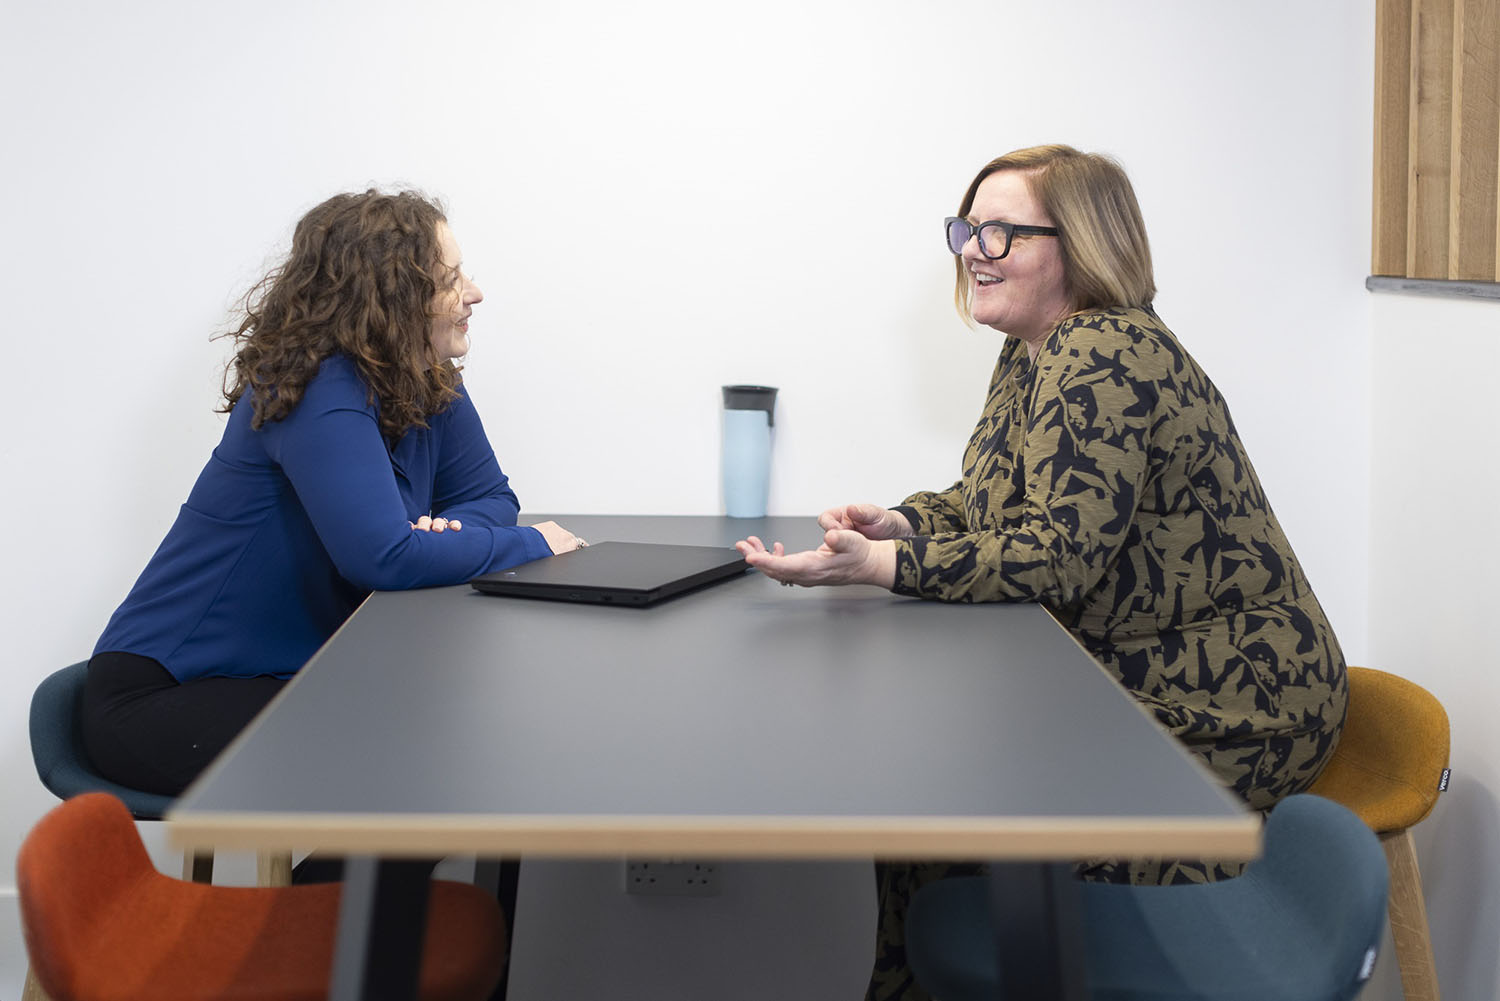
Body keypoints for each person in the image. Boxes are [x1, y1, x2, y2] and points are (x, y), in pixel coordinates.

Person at [735, 145, 1347, 1001]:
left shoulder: (1102, 350)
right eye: (967, 228)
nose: (973, 249)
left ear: (1082, 243)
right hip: (1134, 665)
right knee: (933, 807)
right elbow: (1000, 504)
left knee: (960, 804)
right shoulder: (1033, 350)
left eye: (1001, 231)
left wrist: (885, 564)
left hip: (1237, 697)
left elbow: (1058, 554)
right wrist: (905, 522)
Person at [84, 189, 583, 799]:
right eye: (451, 279)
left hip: (286, 675)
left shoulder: (427, 379)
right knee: (427, 751)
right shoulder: (315, 385)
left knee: (460, 732)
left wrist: (452, 534)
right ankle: (328, 898)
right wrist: (531, 544)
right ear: (391, 293)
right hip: (172, 696)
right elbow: (384, 558)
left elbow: (489, 497)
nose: (474, 294)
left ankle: (332, 896)